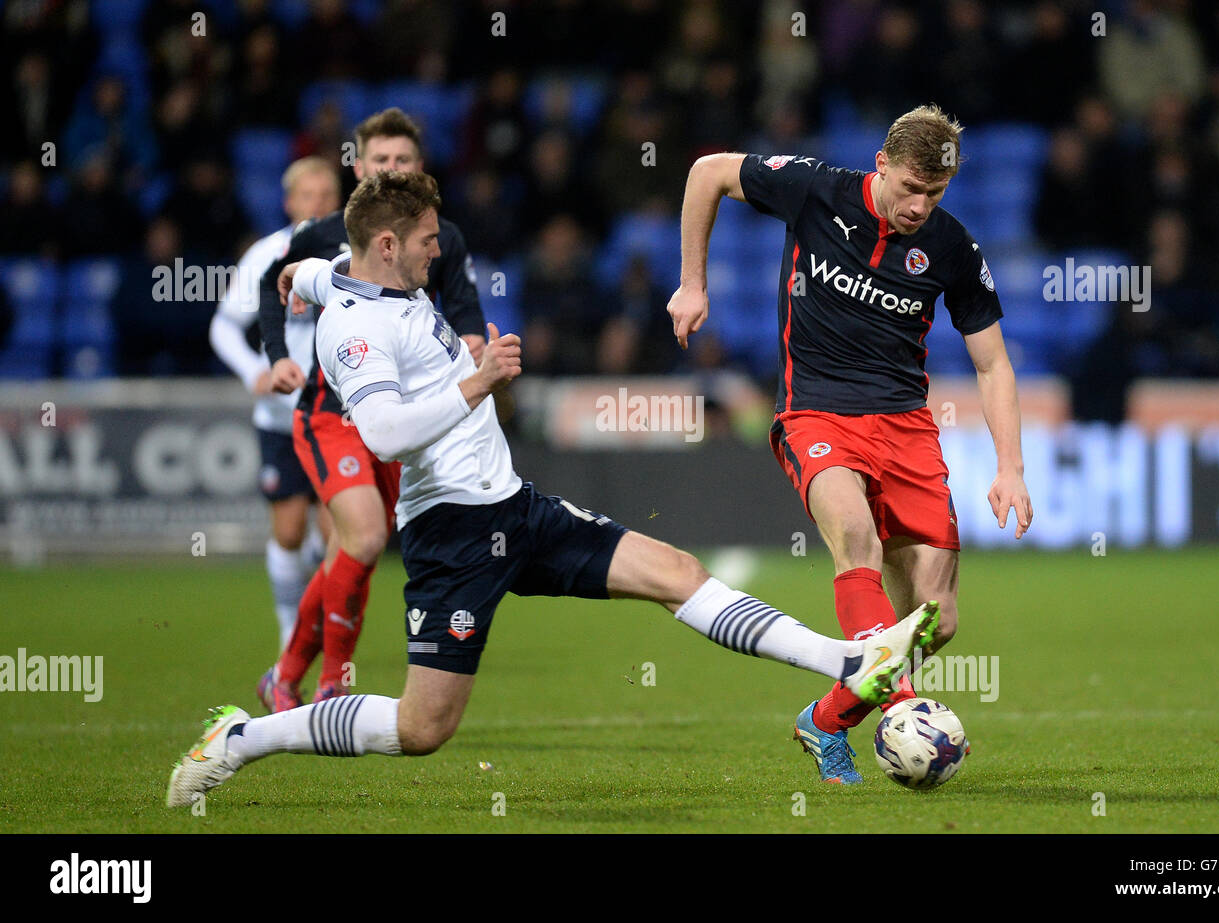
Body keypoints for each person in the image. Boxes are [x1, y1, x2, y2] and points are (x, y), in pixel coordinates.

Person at [165, 171, 941, 807]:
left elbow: (298, 273)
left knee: (676, 573)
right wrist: (479, 380)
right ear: (390, 244)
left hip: (512, 506)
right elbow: (384, 436)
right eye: (432, 241)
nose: (443, 252)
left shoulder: (342, 273)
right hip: (451, 534)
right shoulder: (359, 333)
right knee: (422, 725)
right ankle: (243, 736)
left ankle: (849, 661)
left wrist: (298, 282)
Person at [667, 105, 1034, 784]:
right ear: (882, 165)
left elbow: (994, 364)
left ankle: (827, 717)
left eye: (935, 194)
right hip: (818, 414)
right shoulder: (815, 190)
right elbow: (705, 173)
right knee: (855, 539)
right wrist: (693, 282)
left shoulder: (952, 247)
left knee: (937, 618)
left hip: (906, 429)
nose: (919, 206)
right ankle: (900, 713)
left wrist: (1010, 467)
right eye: (910, 188)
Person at [256, 107, 485, 711]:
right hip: (332, 413)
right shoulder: (324, 233)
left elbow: (464, 316)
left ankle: (284, 675)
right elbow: (277, 279)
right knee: (363, 539)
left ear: (419, 168)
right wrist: (278, 354)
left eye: (403, 161)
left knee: (349, 553)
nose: (391, 169)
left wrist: (472, 350)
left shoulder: (439, 241)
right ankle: (334, 684)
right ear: (359, 166)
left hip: (397, 425)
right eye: (381, 160)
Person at [208, 156, 339, 649]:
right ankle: (291, 626)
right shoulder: (268, 254)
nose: (318, 205)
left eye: (327, 195)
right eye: (308, 196)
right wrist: (254, 371)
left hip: (334, 414)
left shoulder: (352, 256)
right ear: (289, 202)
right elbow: (223, 326)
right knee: (287, 531)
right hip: (281, 418)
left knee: (337, 536)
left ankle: (325, 633)